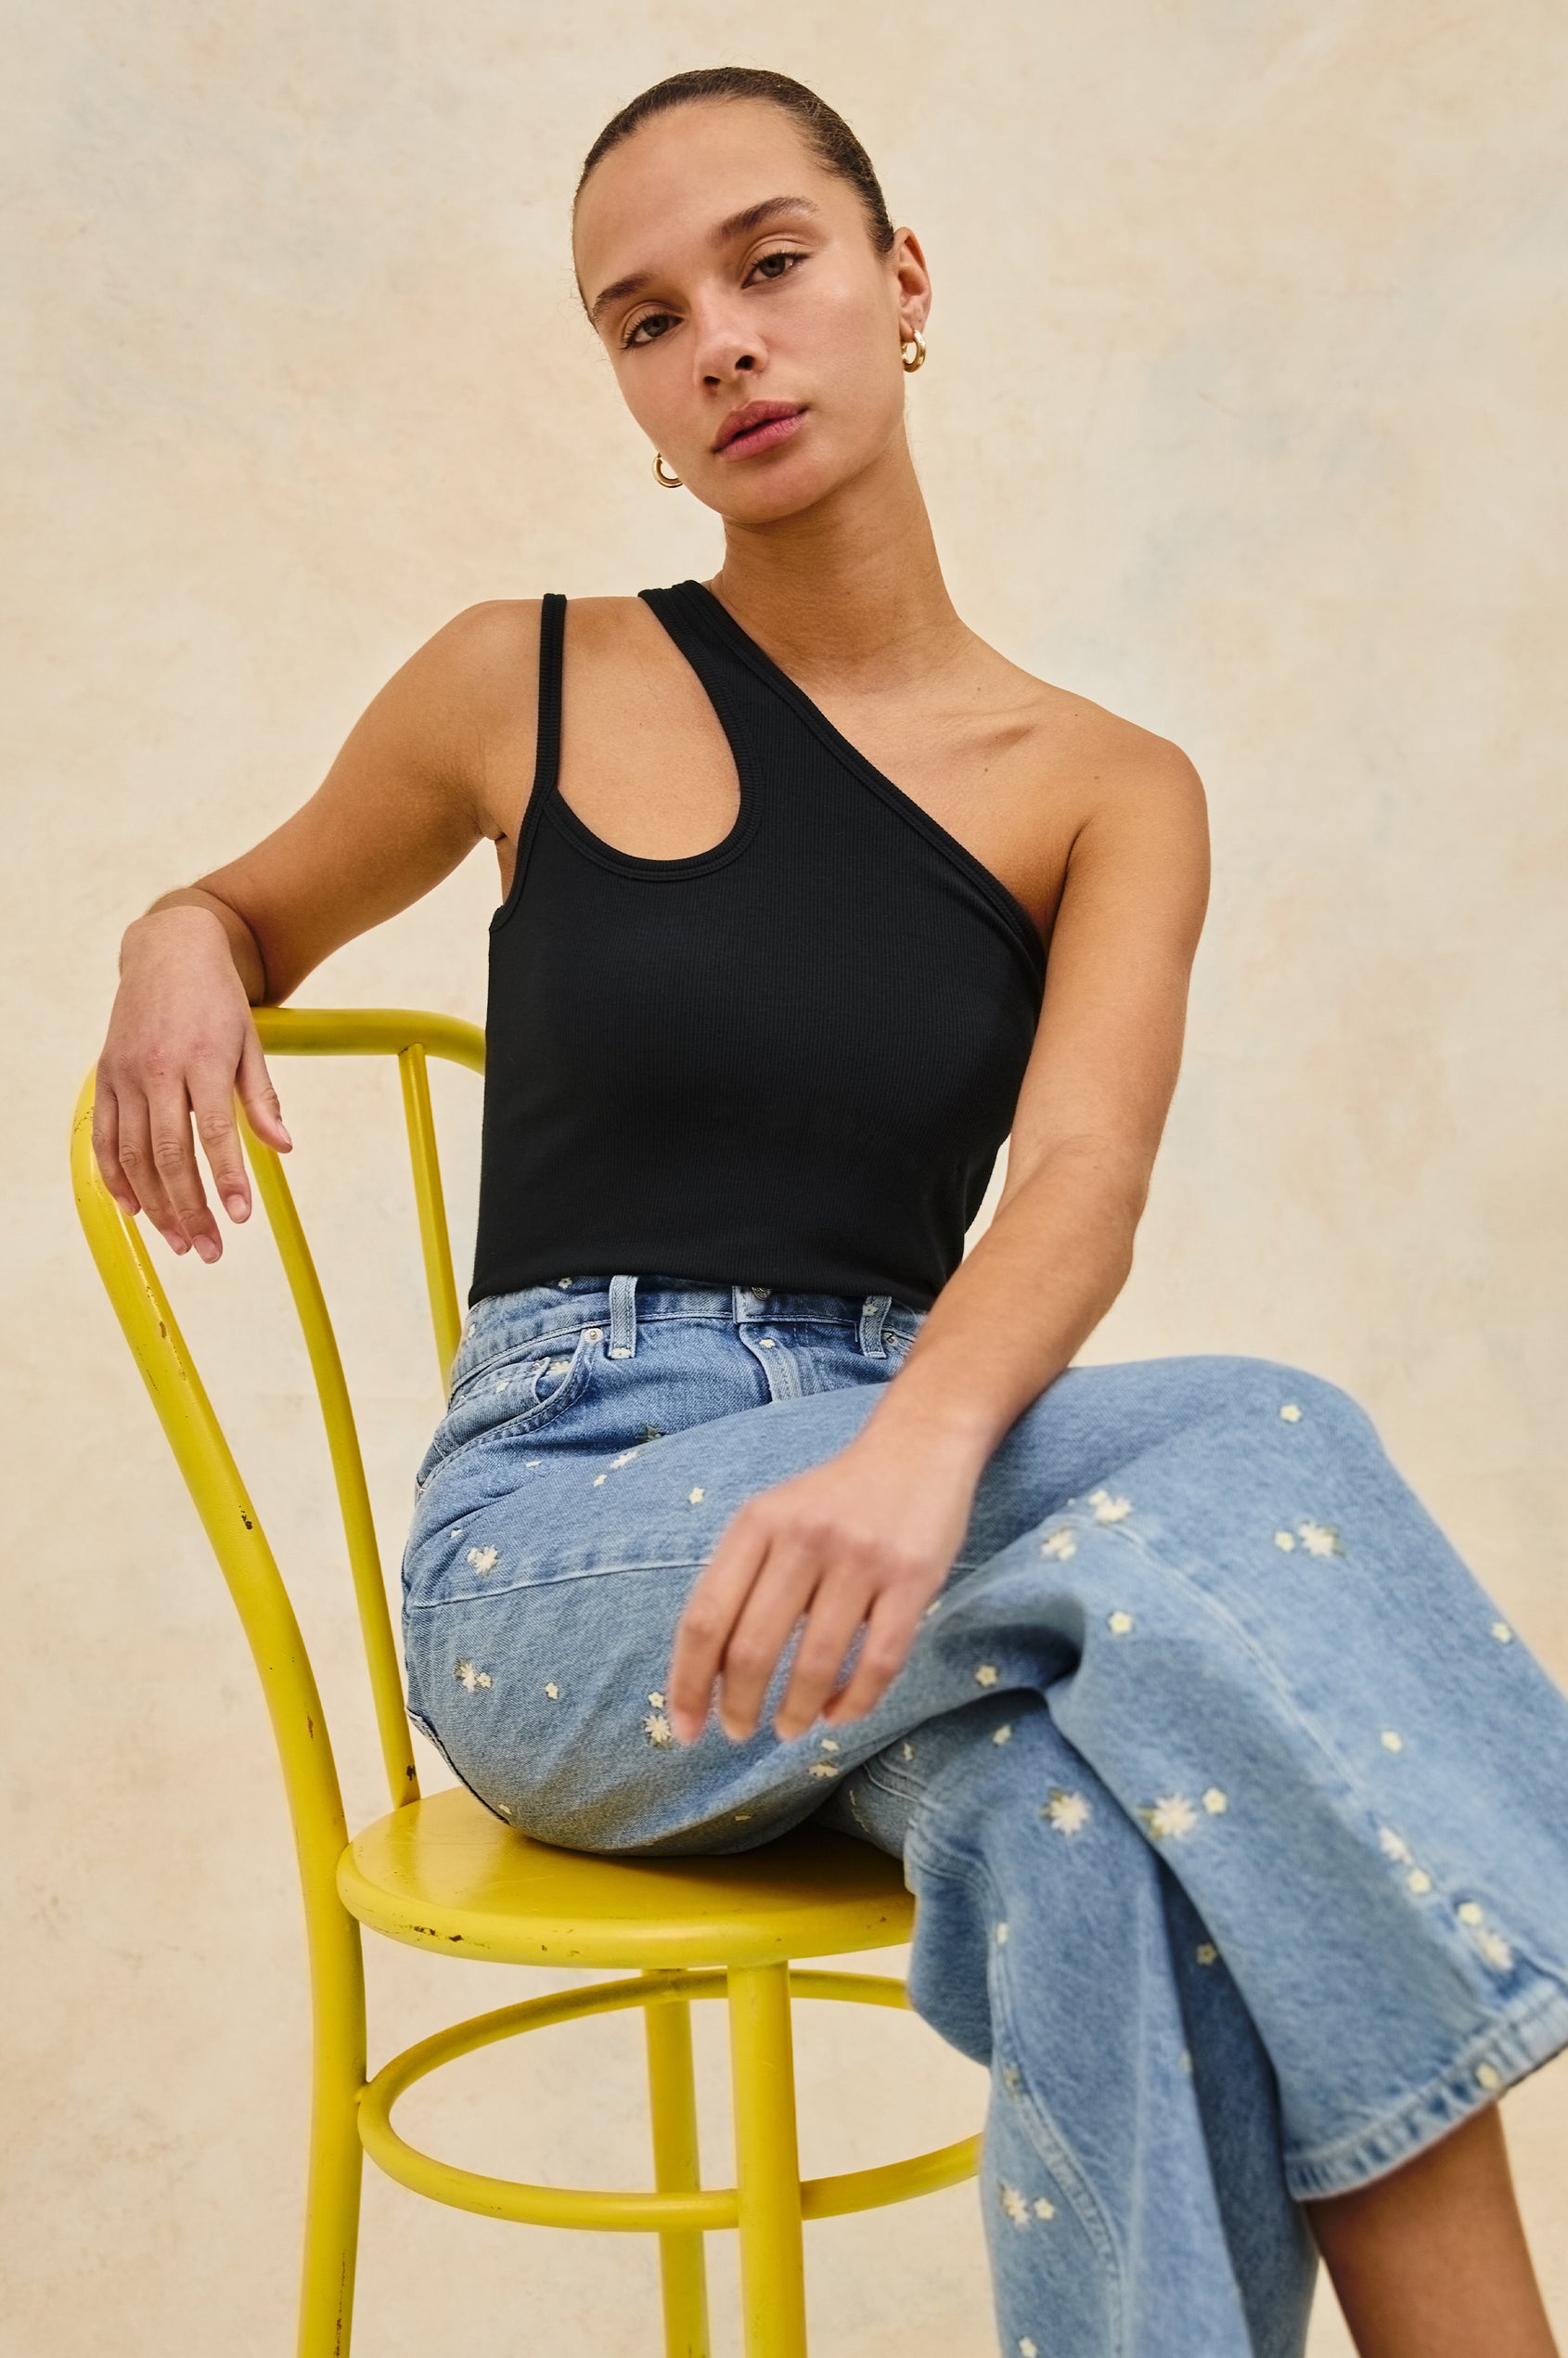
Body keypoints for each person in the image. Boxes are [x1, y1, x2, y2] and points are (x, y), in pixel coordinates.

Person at [91, 63, 1566, 2358]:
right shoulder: (530, 678)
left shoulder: (1104, 790)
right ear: (636, 400)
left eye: (770, 265)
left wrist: (910, 1448)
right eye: (644, 318)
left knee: (1104, 1840)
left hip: (904, 1522)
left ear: (898, 285)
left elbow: (1078, 1176)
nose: (722, 344)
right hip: (569, 1565)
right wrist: (177, 929)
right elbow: (248, 909)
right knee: (1254, 1436)